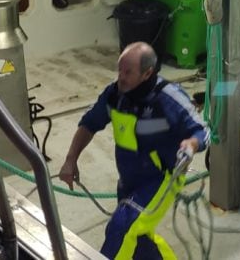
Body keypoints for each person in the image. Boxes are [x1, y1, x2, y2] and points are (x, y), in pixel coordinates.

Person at [59, 42, 209, 259]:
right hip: (129, 180)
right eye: (119, 70)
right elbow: (89, 124)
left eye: (128, 72)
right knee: (138, 238)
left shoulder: (167, 98)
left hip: (162, 179)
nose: (121, 76)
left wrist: (191, 145)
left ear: (147, 73)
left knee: (121, 227)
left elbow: (202, 130)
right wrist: (70, 160)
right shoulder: (114, 95)